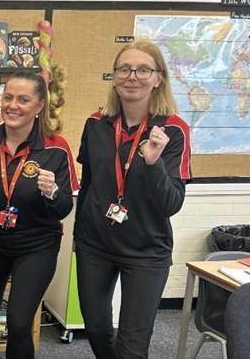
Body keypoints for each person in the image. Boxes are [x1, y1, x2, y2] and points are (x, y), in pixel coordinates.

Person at [75, 40, 192, 359]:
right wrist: (78, 235)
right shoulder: (96, 123)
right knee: (96, 330)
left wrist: (153, 163)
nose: (132, 76)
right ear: (114, 77)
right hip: (95, 245)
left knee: (132, 347)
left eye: (143, 70)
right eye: (124, 69)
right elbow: (88, 185)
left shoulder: (173, 130)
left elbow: (171, 203)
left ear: (158, 78)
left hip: (146, 251)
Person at [0, 70, 79, 359]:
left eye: (23, 100)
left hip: (37, 245)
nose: (13, 106)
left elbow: (64, 206)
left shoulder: (56, 148)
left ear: (39, 106)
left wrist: (52, 192)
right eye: (8, 98)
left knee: (20, 322)